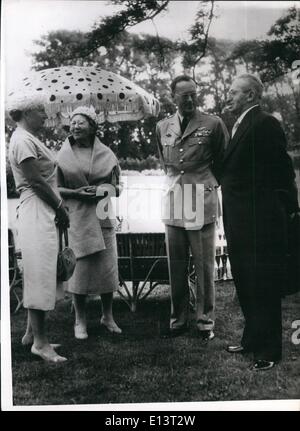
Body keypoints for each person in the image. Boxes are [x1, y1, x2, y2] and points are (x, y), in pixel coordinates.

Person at [221, 74, 299, 371]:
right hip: (240, 219)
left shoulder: (265, 123)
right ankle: (252, 339)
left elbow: (283, 171)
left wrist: (288, 211)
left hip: (261, 220)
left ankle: (269, 350)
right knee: (244, 280)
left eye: (233, 92)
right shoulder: (240, 123)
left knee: (263, 284)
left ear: (251, 95)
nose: (227, 96)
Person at [156, 75, 228, 339]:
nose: (189, 99)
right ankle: (178, 320)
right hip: (174, 198)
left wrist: (208, 183)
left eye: (193, 94)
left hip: (200, 196)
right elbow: (165, 161)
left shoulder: (213, 123)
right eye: (183, 95)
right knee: (176, 264)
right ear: (173, 97)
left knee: (204, 264)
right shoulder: (163, 126)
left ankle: (204, 321)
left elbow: (223, 160)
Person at [8, 102, 69, 363]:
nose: (46, 114)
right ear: (26, 113)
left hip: (42, 209)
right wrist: (59, 206)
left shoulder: (28, 138)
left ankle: (32, 335)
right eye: (41, 111)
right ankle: (41, 344)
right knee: (39, 272)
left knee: (43, 270)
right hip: (36, 208)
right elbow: (35, 180)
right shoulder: (21, 139)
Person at [57, 106, 122, 340]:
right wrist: (76, 193)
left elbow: (117, 189)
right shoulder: (62, 155)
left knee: (107, 269)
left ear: (92, 126)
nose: (74, 126)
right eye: (72, 122)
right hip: (77, 217)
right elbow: (56, 188)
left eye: (80, 122)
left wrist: (101, 189)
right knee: (80, 271)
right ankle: (80, 320)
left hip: (103, 214)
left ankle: (107, 316)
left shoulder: (107, 154)